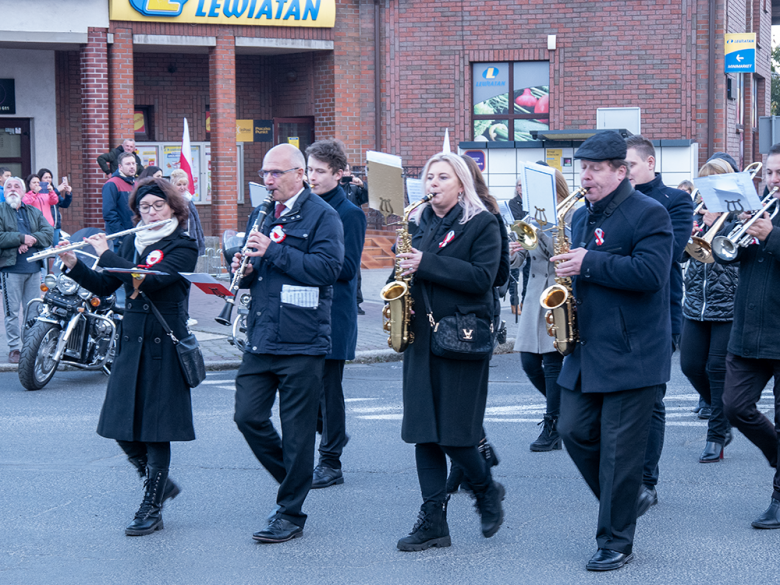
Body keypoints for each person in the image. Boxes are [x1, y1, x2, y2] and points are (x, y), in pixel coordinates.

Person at [553, 131, 673, 571]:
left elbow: (651, 274)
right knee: (572, 430)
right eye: (581, 168)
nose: (584, 176)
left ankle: (616, 541)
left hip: (633, 353)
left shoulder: (650, 213)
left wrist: (589, 263)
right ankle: (627, 497)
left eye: (595, 169)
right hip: (587, 350)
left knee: (622, 453)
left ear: (620, 172)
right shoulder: (582, 218)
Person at [56, 177, 198, 536]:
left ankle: (151, 505)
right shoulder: (135, 241)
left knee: (155, 432)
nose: (149, 213)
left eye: (157, 206)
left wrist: (105, 253)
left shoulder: (183, 245)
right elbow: (107, 285)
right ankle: (160, 486)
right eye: (144, 207)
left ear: (173, 208)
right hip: (132, 342)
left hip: (162, 346)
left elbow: (148, 280)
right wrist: (74, 263)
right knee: (119, 424)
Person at [232, 143, 344, 544]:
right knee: (247, 416)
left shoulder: (323, 216)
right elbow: (255, 271)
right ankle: (293, 479)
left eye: (276, 173)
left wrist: (273, 251)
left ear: (300, 174)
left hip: (302, 339)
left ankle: (290, 513)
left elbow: (328, 269)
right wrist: (244, 270)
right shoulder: (261, 214)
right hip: (262, 335)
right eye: (264, 174)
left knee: (297, 432)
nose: (268, 181)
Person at [392, 152, 504, 552]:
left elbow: (481, 278)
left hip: (461, 339)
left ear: (461, 184)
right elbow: (404, 273)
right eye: (429, 178)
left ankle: (486, 490)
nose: (433, 184)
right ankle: (433, 521)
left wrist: (426, 263)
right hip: (421, 339)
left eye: (442, 177)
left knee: (457, 436)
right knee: (424, 433)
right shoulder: (419, 223)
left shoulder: (483, 224)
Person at [625, 135, 693, 516]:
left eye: (630, 166)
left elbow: (669, 252)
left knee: (651, 400)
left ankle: (646, 480)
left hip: (661, 311)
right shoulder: (608, 203)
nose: (625, 173)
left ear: (650, 163)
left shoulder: (674, 201)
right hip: (616, 312)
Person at [717, 143, 780, 529]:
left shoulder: (768, 221)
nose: (774, 181)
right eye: (771, 174)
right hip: (749, 332)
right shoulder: (760, 210)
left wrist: (771, 234)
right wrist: (728, 229)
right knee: (734, 407)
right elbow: (728, 257)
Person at [304, 140, 366, 489]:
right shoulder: (303, 208)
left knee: (328, 389)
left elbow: (345, 269)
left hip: (333, 313)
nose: (311, 177)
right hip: (303, 311)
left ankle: (331, 462)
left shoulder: (349, 213)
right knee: (305, 390)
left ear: (339, 174)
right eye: (309, 170)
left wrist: (302, 261)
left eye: (319, 171)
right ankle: (334, 435)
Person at [444, 155, 507, 493]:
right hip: (444, 316)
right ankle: (473, 461)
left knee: (462, 400)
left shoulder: (486, 215)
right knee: (456, 402)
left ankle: (477, 459)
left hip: (475, 314)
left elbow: (498, 274)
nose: (436, 185)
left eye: (445, 177)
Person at [510, 169, 573, 452]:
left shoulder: (569, 213)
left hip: (557, 291)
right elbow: (519, 260)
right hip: (535, 293)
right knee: (528, 362)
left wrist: (544, 228)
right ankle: (565, 410)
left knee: (551, 361)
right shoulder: (529, 217)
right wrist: (511, 251)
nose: (524, 192)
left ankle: (553, 421)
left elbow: (561, 257)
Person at [680, 156, 737, 463]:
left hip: (727, 305)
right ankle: (722, 411)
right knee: (689, 365)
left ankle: (716, 435)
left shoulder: (741, 219)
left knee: (717, 370)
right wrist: (688, 233)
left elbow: (735, 259)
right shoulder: (697, 213)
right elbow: (681, 258)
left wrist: (720, 224)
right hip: (695, 306)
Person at [0, 177, 53, 363]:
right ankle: (14, 348)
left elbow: (48, 232)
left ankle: (30, 347)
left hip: (34, 269)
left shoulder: (33, 211)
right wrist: (20, 238)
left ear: (23, 192)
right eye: (8, 186)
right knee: (12, 311)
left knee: (33, 311)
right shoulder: (0, 210)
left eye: (17, 186)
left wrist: (30, 239)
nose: (13, 189)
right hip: (11, 269)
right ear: (4, 191)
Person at [342, 164, 368, 314]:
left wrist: (363, 185)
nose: (345, 174)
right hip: (337, 231)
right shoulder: (332, 188)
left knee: (355, 267)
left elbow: (369, 197)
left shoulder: (354, 189)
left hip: (353, 232)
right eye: (342, 170)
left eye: (347, 170)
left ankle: (356, 301)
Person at [102, 152, 137, 250]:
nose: (132, 166)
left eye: (133, 163)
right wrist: (121, 235)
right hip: (120, 240)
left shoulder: (136, 184)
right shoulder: (112, 184)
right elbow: (108, 213)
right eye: (128, 164)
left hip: (135, 236)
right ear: (120, 167)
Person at [169, 169, 205, 256]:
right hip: (179, 241)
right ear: (173, 185)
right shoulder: (171, 201)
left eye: (184, 184)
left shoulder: (189, 200)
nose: (182, 187)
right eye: (179, 184)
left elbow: (197, 224)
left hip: (191, 238)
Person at [508, 177, 530, 316]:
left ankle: (524, 302)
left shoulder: (531, 202)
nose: (522, 188)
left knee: (528, 274)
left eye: (524, 185)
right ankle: (514, 302)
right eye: (520, 185)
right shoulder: (513, 202)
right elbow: (517, 221)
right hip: (517, 240)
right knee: (514, 275)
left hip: (530, 239)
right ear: (517, 188)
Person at [37, 169, 73, 246]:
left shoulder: (53, 190)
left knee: (56, 248)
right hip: (43, 226)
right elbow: (46, 199)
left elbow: (64, 204)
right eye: (45, 177)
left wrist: (68, 193)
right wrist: (57, 190)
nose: (48, 179)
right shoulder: (38, 192)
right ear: (40, 179)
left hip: (55, 225)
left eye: (50, 177)